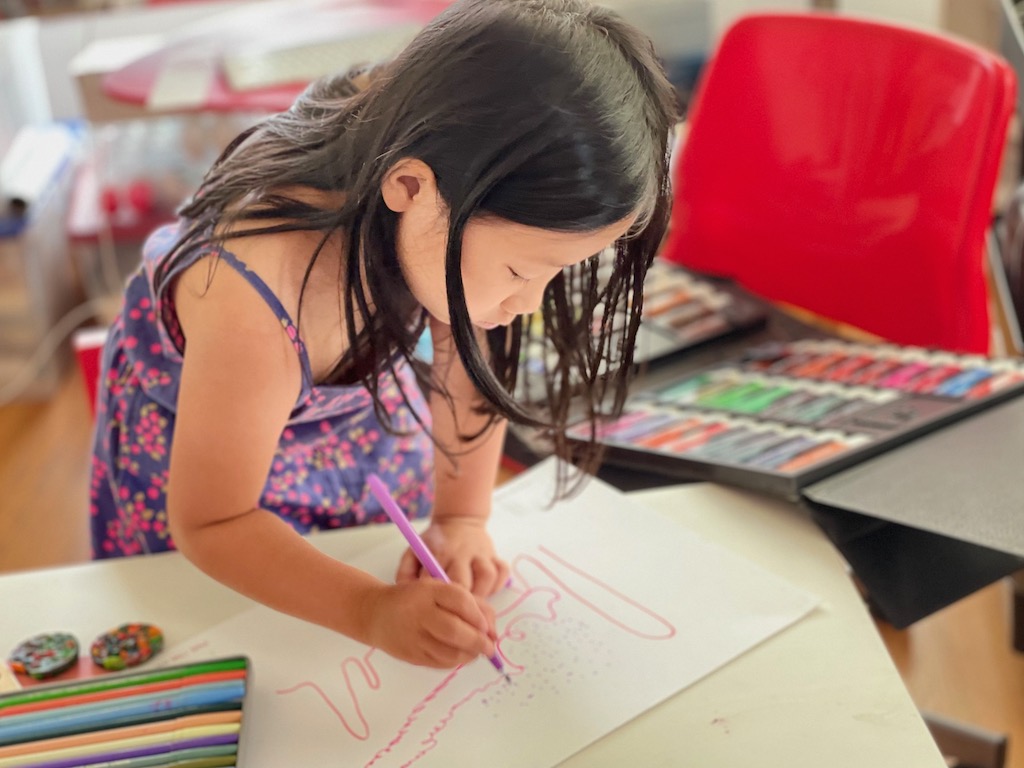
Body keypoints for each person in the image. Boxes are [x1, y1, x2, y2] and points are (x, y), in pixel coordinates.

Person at [89, 0, 677, 670]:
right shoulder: (254, 299)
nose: (527, 304)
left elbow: (468, 368)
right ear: (409, 187)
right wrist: (364, 610)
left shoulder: (433, 184)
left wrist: (462, 519)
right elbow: (212, 523)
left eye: (553, 275)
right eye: (519, 270)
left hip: (345, 434)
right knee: (254, 648)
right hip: (214, 477)